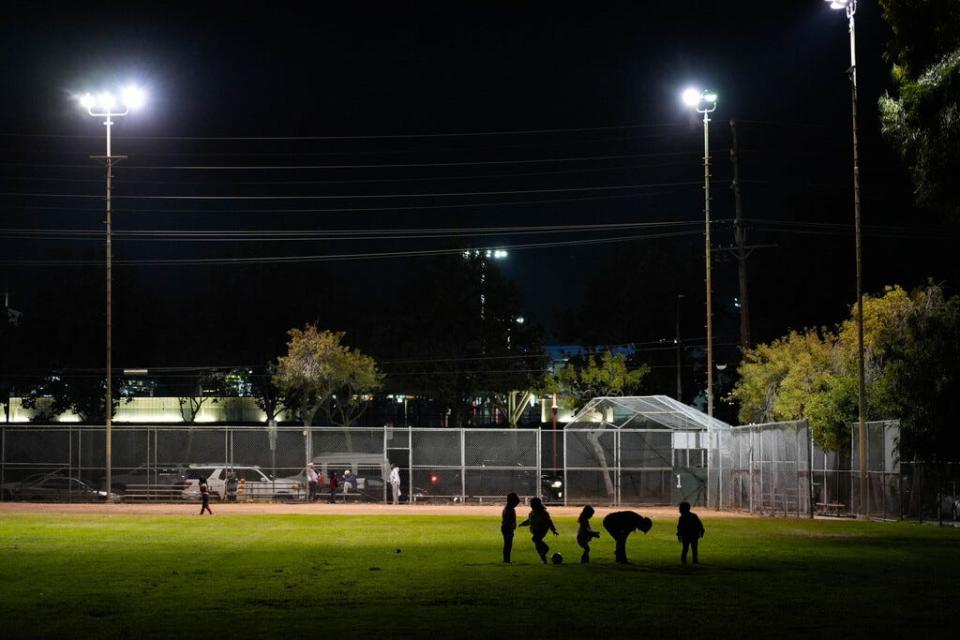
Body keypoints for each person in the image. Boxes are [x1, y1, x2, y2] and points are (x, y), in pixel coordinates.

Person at [519, 497, 559, 564]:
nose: (531, 505)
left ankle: (546, 548)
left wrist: (553, 530)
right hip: (535, 531)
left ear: (537, 504)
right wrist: (523, 524)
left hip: (541, 530)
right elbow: (530, 521)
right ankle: (544, 560)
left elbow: (549, 522)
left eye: (532, 504)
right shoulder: (532, 513)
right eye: (531, 504)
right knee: (538, 546)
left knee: (535, 539)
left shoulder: (543, 513)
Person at [501, 492, 520, 563]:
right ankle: (507, 559)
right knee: (508, 544)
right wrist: (512, 527)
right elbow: (510, 520)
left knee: (507, 544)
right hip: (508, 528)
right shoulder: (510, 510)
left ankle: (506, 559)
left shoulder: (506, 508)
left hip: (505, 527)